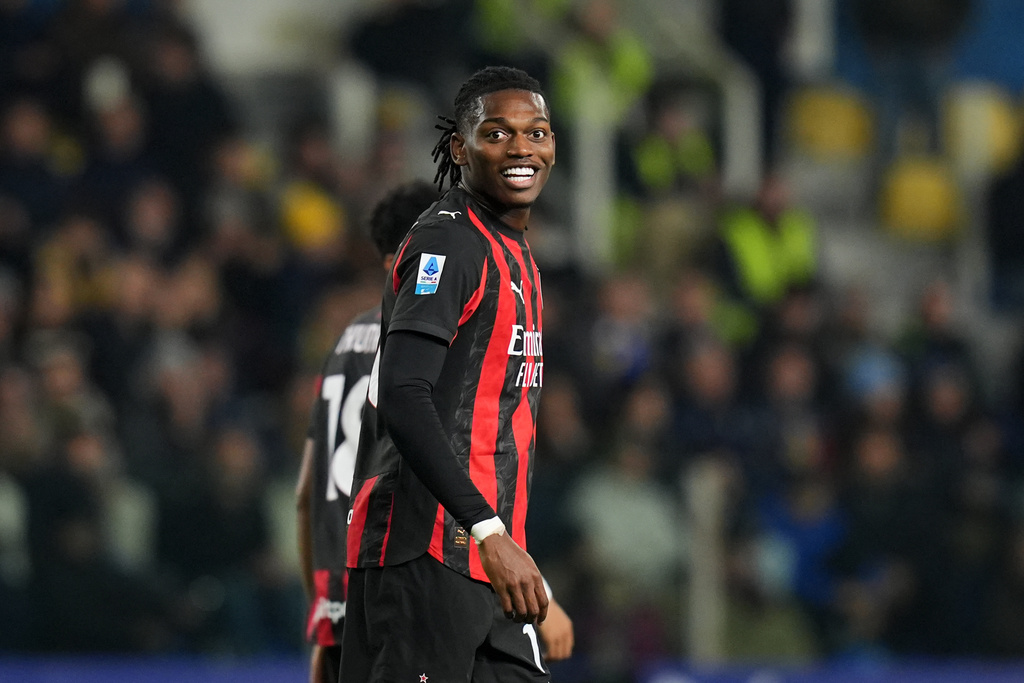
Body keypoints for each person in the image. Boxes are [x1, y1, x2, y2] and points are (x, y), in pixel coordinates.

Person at [299, 174, 571, 681]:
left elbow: (311, 492)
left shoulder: (344, 347)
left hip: (391, 571)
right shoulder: (410, 336)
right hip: (419, 558)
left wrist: (328, 615)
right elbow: (409, 439)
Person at [341, 66, 563, 682]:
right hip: (427, 552)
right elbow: (403, 395)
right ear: (460, 149)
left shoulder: (515, 251)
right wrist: (488, 528)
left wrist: (501, 539)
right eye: (498, 134)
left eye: (537, 133)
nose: (522, 148)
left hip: (490, 563)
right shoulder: (448, 243)